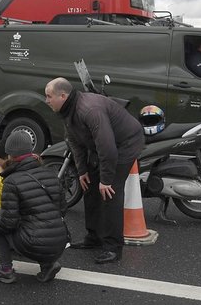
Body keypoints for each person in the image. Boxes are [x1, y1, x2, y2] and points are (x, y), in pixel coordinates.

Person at [45, 77, 144, 265]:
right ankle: (94, 237)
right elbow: (74, 141)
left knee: (110, 192)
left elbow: (108, 149)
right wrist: (82, 171)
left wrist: (106, 180)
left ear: (63, 96)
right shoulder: (67, 109)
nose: (46, 100)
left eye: (49, 96)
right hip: (103, 145)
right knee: (89, 185)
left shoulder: (89, 110)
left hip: (125, 143)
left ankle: (113, 247)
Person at [0, 130, 67, 283]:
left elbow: (8, 223)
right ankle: (48, 265)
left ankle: (5, 269)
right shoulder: (50, 173)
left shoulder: (12, 181)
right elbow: (62, 209)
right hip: (60, 241)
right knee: (38, 223)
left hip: (34, 243)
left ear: (9, 155)